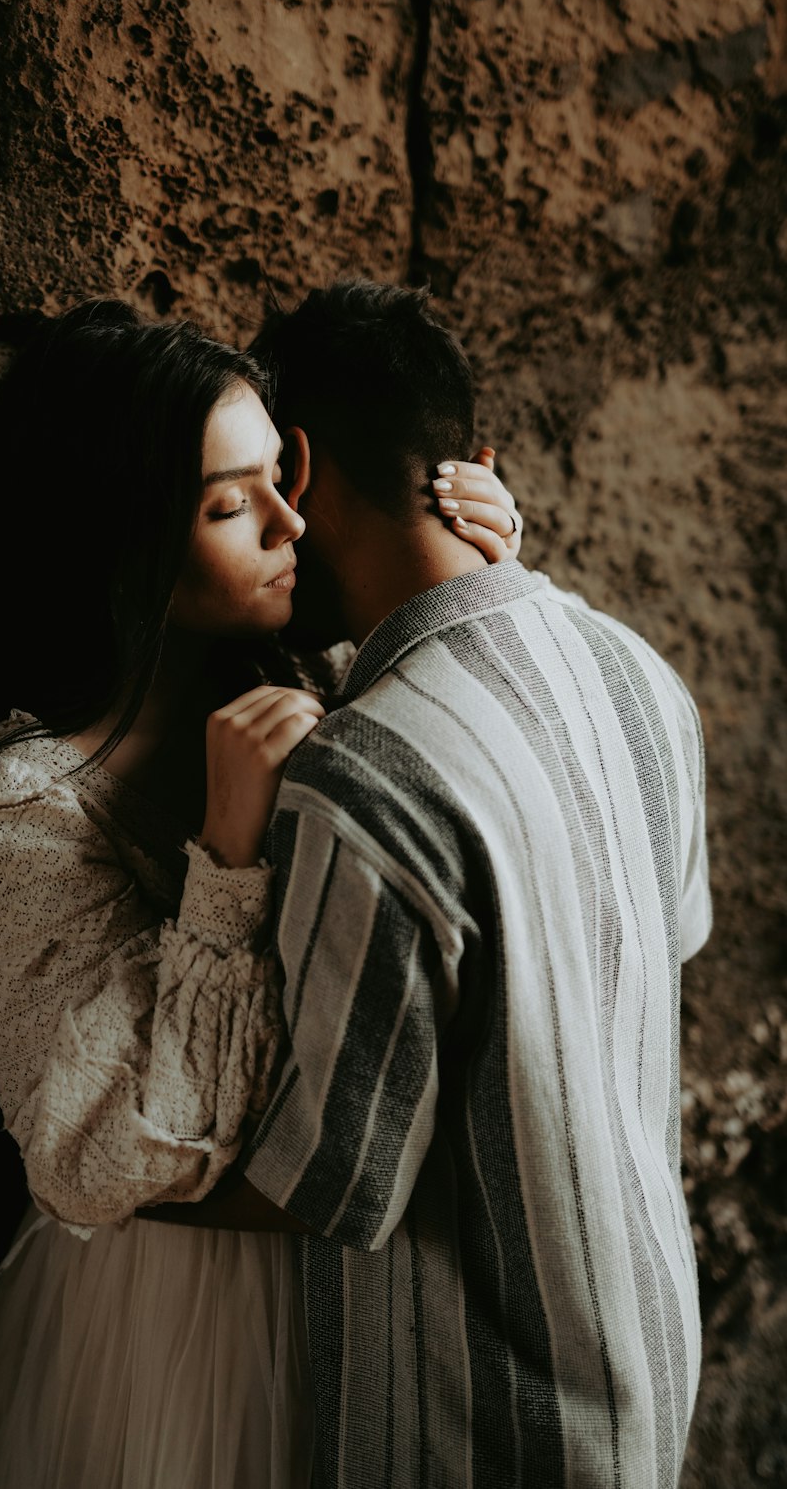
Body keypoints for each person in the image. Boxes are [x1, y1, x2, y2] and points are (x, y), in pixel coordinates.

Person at [0, 295, 521, 1489]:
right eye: (227, 503)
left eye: (280, 479)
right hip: (158, 1326)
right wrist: (227, 853)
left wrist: (474, 577)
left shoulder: (334, 681)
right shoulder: (16, 808)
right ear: (120, 539)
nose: (291, 521)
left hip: (369, 1283)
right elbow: (96, 1157)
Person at [146, 279, 712, 1489]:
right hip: (649, 1365)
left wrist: (92, 1179)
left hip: (481, 1421)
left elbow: (332, 1178)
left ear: (294, 469)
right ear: (475, 462)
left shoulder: (363, 772)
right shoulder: (641, 678)